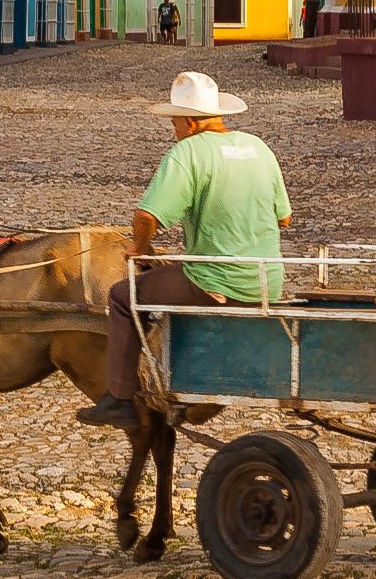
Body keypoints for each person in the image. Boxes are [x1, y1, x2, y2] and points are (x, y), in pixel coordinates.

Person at [78, 69, 291, 430]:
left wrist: (139, 249)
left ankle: (119, 397)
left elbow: (147, 215)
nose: (173, 131)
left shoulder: (188, 152)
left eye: (175, 123)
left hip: (217, 284)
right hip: (268, 281)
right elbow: (284, 219)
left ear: (191, 123)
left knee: (121, 297)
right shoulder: (258, 147)